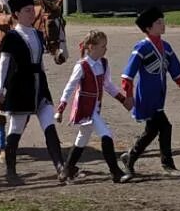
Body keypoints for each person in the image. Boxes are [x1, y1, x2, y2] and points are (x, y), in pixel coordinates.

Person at [0, 0, 65, 186]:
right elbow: (3, 63)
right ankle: (10, 171)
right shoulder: (11, 37)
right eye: (26, 11)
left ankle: (60, 167)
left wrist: (43, 80)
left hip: (39, 85)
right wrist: (0, 88)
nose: (30, 14)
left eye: (31, 10)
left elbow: (40, 61)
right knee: (15, 129)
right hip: (20, 86)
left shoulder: (37, 34)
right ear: (16, 14)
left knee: (49, 126)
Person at [120, 7, 180, 179]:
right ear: (148, 28)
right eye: (158, 22)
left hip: (159, 96)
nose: (163, 25)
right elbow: (128, 75)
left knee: (152, 130)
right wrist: (129, 96)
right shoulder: (141, 48)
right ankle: (167, 165)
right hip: (146, 97)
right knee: (164, 126)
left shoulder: (166, 47)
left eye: (163, 21)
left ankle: (129, 157)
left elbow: (175, 69)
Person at [56, 30, 131, 183]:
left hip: (95, 107)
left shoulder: (103, 63)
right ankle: (115, 172)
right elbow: (70, 86)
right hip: (85, 109)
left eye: (106, 46)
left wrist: (122, 99)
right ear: (91, 47)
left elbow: (107, 85)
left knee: (82, 138)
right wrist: (61, 107)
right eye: (102, 46)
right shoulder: (82, 66)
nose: (105, 49)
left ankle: (67, 169)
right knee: (106, 135)